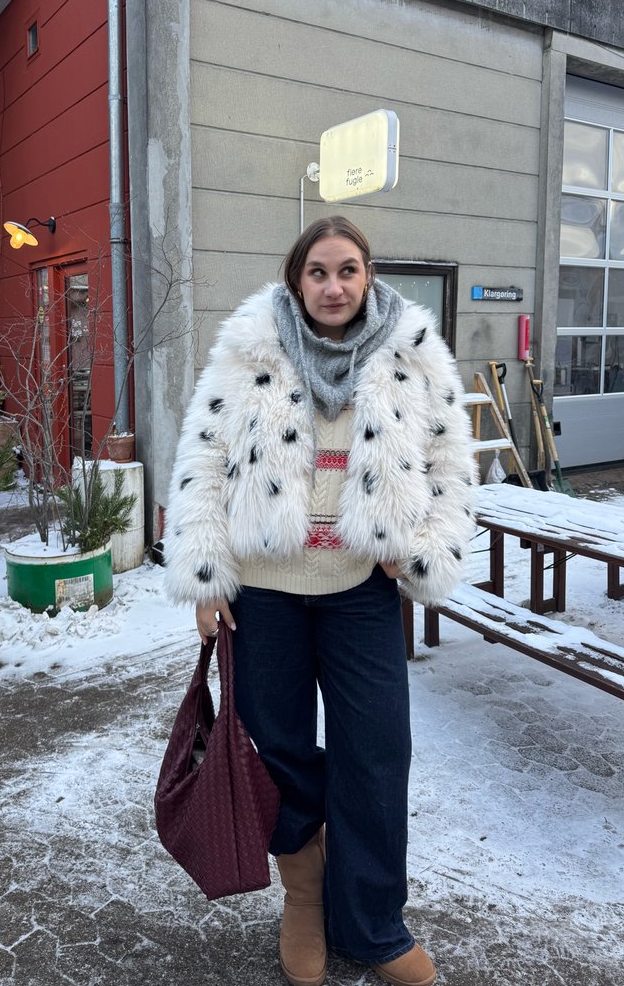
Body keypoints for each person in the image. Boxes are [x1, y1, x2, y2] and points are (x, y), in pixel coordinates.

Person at [163, 216, 476, 986]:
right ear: (296, 278)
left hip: (361, 591)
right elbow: (203, 457)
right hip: (264, 594)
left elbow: (449, 463)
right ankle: (304, 896)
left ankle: (372, 925)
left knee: (376, 754)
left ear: (368, 275)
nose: (333, 286)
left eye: (347, 270)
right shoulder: (251, 348)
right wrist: (205, 575)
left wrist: (423, 547)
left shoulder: (412, 353)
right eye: (318, 272)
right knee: (279, 751)